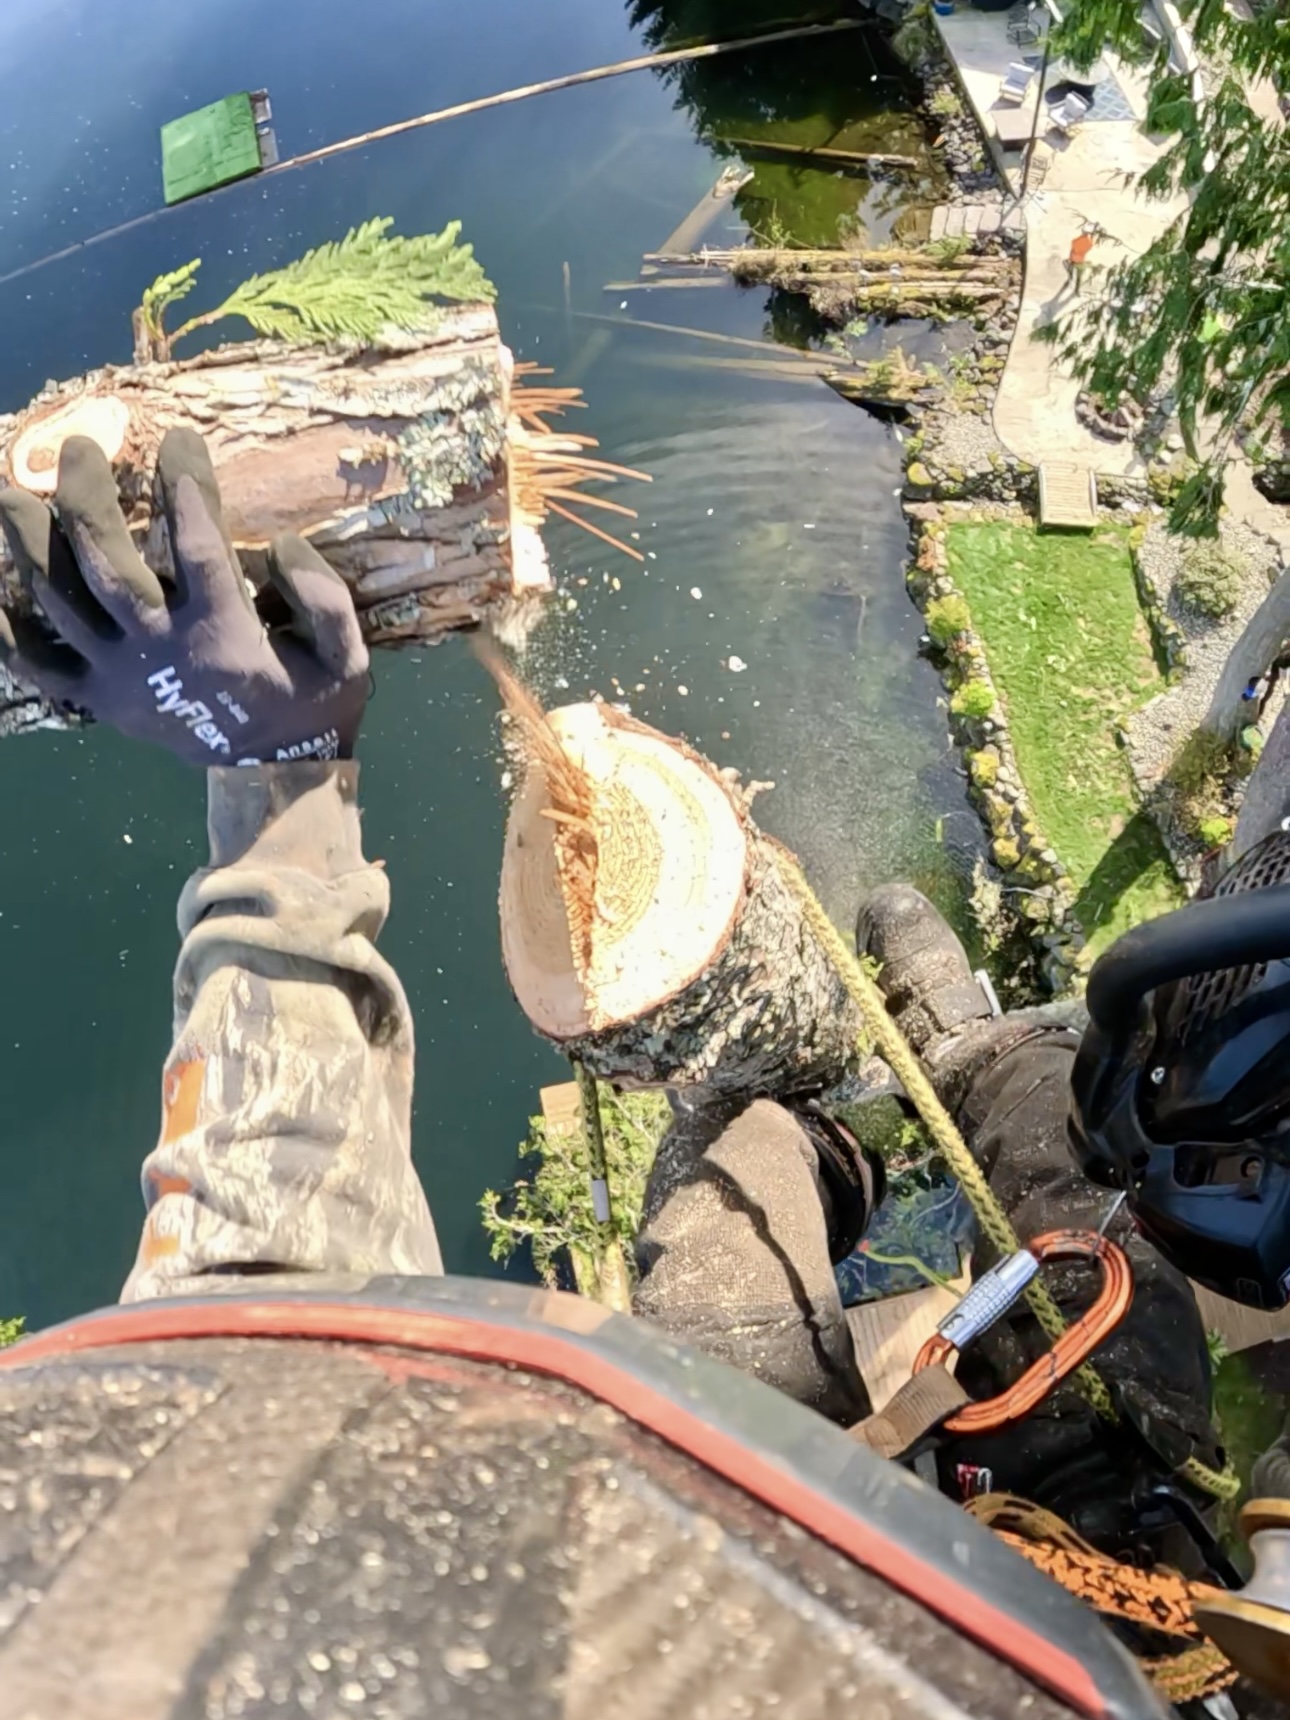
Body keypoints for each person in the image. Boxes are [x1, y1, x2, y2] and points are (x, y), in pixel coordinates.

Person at [0, 433, 1225, 1717]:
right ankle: (930, 1076)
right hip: (1012, 1605)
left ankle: (916, 1077)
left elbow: (254, 1287)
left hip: (723, 1522)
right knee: (1074, 1219)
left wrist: (272, 791)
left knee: (844, 1182)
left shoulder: (146, 1518)